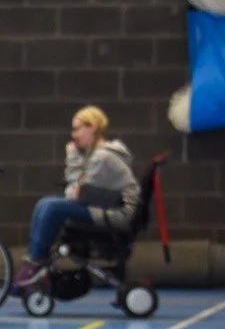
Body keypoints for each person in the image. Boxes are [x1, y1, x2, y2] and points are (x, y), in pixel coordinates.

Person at [14, 106, 140, 288]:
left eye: (77, 128)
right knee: (45, 203)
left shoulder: (102, 157)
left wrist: (72, 158)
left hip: (116, 214)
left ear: (93, 127)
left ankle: (36, 264)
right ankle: (34, 261)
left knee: (52, 207)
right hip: (105, 207)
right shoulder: (96, 155)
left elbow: (76, 194)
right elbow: (78, 189)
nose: (73, 135)